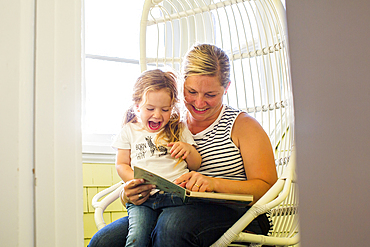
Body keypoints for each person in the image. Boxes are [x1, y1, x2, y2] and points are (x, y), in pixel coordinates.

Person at [88, 44, 278, 247]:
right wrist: (129, 194)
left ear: (227, 87)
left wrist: (213, 184)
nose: (199, 102)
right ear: (181, 84)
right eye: (192, 91)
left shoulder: (243, 126)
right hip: (170, 206)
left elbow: (268, 188)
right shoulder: (168, 123)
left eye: (210, 95)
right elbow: (143, 165)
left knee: (171, 228)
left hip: (235, 213)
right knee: (104, 241)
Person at [112, 69, 202, 247]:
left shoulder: (179, 129)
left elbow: (196, 165)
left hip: (175, 196)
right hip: (143, 199)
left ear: (172, 108)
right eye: (150, 108)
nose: (157, 115)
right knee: (137, 238)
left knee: (168, 233)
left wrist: (188, 151)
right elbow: (121, 164)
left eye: (165, 109)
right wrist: (134, 180)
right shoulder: (129, 131)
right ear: (137, 106)